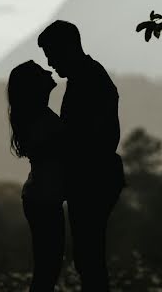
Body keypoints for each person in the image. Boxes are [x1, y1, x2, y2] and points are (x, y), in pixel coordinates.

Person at [38, 20, 125, 292]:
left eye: (52, 55)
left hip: (92, 179)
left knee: (89, 257)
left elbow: (92, 138)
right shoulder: (88, 77)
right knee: (89, 256)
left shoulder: (89, 81)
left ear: (67, 47)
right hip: (94, 177)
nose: (51, 63)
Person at [7, 60, 66, 292]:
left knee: (47, 269)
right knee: (47, 270)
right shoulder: (41, 120)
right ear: (35, 85)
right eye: (42, 71)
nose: (50, 70)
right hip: (44, 200)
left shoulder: (37, 117)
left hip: (41, 198)